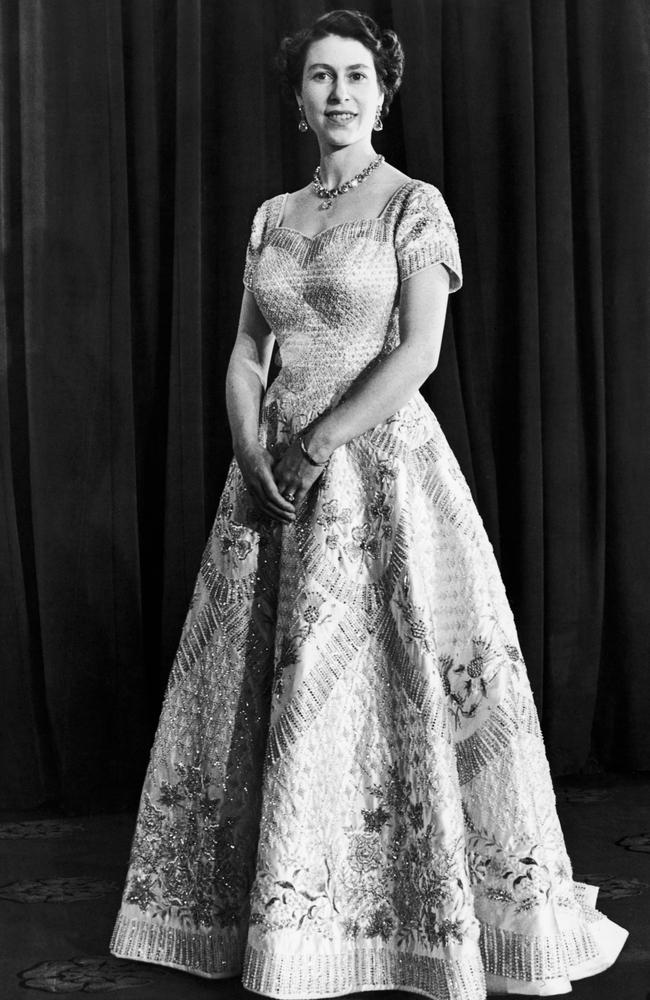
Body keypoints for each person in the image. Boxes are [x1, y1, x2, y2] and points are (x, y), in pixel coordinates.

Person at [111, 9, 627, 998]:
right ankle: (287, 918)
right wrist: (250, 443)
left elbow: (418, 352)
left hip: (377, 467)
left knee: (396, 689)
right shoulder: (271, 216)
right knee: (275, 687)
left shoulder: (412, 206)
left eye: (355, 75)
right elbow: (246, 352)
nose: (338, 93)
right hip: (270, 477)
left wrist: (316, 443)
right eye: (318, 77)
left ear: (382, 92)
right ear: (296, 97)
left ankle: (418, 913)